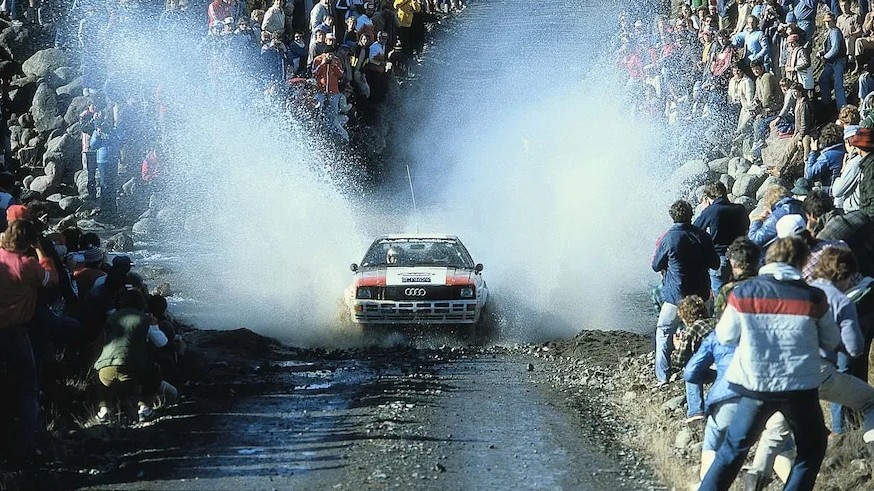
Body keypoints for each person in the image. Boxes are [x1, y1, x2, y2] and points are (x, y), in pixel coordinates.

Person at [699, 236, 840, 490]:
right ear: (802, 261)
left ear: (769, 259)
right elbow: (831, 341)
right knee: (812, 447)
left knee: (733, 449)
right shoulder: (814, 297)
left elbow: (725, 336)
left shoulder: (743, 292)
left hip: (756, 385)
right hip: (799, 388)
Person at [0, 219, 58, 459]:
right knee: (27, 389)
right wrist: (41, 251)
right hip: (15, 331)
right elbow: (52, 280)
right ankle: (25, 446)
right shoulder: (27, 265)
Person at [651, 200, 720, 384]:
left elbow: (656, 265)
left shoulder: (668, 238)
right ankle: (702, 371)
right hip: (700, 295)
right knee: (702, 333)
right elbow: (716, 263)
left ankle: (663, 377)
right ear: (691, 215)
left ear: (673, 216)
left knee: (664, 332)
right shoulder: (702, 236)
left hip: (676, 296)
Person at [93, 290, 177, 423]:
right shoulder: (146, 319)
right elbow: (162, 342)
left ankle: (104, 411)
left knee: (107, 390)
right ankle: (144, 408)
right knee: (152, 373)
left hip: (104, 369)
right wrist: (154, 325)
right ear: (142, 304)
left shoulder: (111, 318)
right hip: (132, 369)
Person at [694, 181, 750, 298]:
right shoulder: (740, 209)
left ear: (709, 197)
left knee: (720, 299)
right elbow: (746, 228)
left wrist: (705, 210)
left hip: (720, 258)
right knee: (740, 296)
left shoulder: (711, 211)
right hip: (740, 257)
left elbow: (695, 231)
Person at [819, 12, 848, 110]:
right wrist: (822, 52)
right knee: (823, 80)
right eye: (825, 21)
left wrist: (825, 57)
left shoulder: (835, 31)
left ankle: (842, 108)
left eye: (829, 21)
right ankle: (827, 103)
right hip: (832, 61)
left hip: (838, 61)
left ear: (833, 21)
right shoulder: (830, 31)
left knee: (838, 85)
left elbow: (835, 48)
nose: (827, 23)